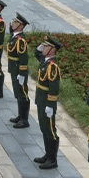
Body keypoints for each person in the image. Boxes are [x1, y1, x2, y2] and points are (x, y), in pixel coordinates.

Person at [33, 36, 64, 170]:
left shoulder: (52, 67)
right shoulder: (45, 62)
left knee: (50, 130)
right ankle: (47, 154)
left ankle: (53, 159)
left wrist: (51, 106)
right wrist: (38, 48)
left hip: (47, 103)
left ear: (52, 50)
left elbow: (54, 88)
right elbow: (37, 54)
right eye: (43, 46)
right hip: (41, 101)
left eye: (46, 46)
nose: (43, 48)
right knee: (44, 128)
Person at [7, 13, 31, 129]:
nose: (12, 23)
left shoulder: (21, 41)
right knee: (18, 93)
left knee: (22, 94)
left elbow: (23, 59)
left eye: (15, 22)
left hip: (18, 70)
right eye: (13, 21)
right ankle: (20, 115)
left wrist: (22, 73)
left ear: (21, 26)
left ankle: (24, 119)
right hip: (14, 69)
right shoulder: (15, 36)